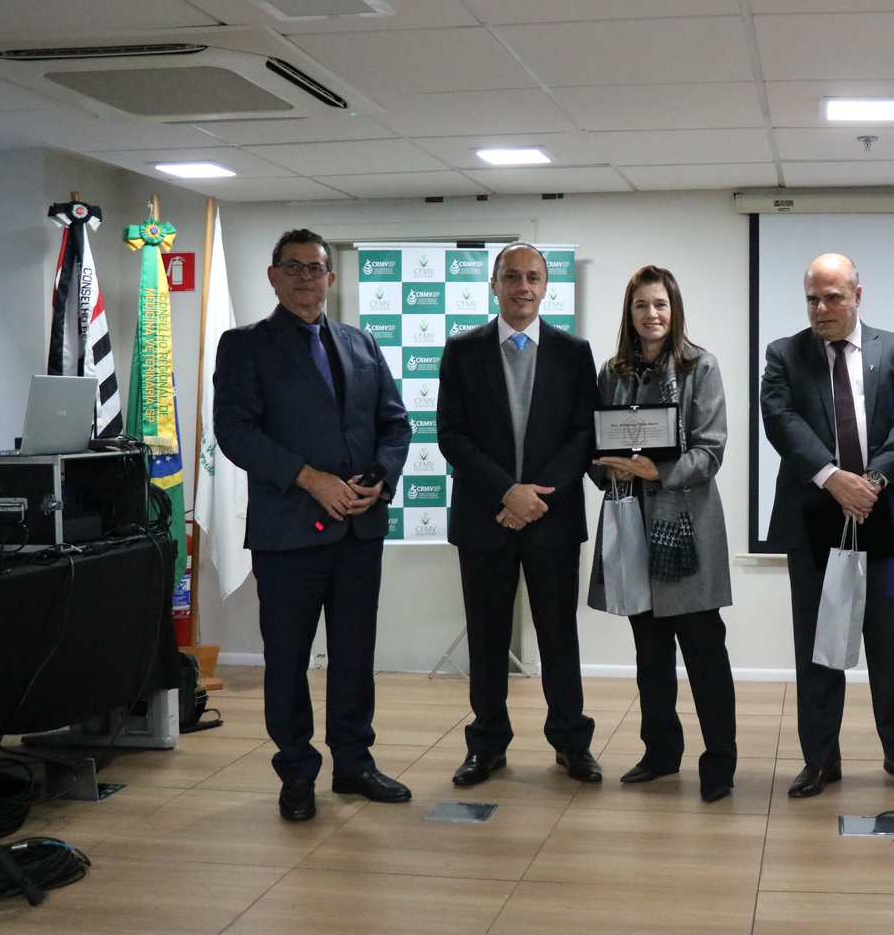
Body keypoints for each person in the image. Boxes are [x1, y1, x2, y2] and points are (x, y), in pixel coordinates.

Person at [213, 228, 412, 822]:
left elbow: (395, 423)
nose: (306, 277)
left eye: (316, 267)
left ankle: (354, 764)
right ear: (273, 276)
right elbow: (236, 432)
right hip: (289, 533)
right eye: (294, 267)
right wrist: (310, 479)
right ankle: (297, 772)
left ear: (331, 277)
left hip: (359, 530)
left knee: (353, 656)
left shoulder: (360, 342)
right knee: (288, 660)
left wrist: (380, 476)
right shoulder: (244, 346)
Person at [760, 253, 894, 798]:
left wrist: (870, 482)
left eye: (833, 297)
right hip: (814, 514)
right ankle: (820, 759)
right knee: (818, 642)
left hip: (882, 512)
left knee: (891, 641)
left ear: (857, 295)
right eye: (812, 298)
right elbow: (779, 420)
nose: (821, 308)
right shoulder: (784, 353)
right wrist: (834, 479)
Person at [436, 242, 601, 786]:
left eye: (532, 277)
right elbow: (451, 436)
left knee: (559, 636)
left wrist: (534, 499)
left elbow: (584, 434)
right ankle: (486, 746)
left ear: (546, 286)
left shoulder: (574, 352)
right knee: (487, 639)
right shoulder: (462, 350)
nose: (522, 286)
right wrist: (507, 492)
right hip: (485, 519)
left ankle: (572, 743)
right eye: (511, 276)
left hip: (553, 520)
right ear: (494, 284)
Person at [588, 266, 737, 804]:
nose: (651, 315)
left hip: (687, 527)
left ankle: (719, 763)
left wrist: (657, 471)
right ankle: (660, 753)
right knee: (649, 654)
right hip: (630, 524)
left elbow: (711, 450)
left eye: (660, 305)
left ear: (674, 311)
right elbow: (596, 445)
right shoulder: (613, 373)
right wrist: (607, 467)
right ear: (628, 313)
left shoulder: (700, 366)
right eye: (641, 305)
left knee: (704, 654)